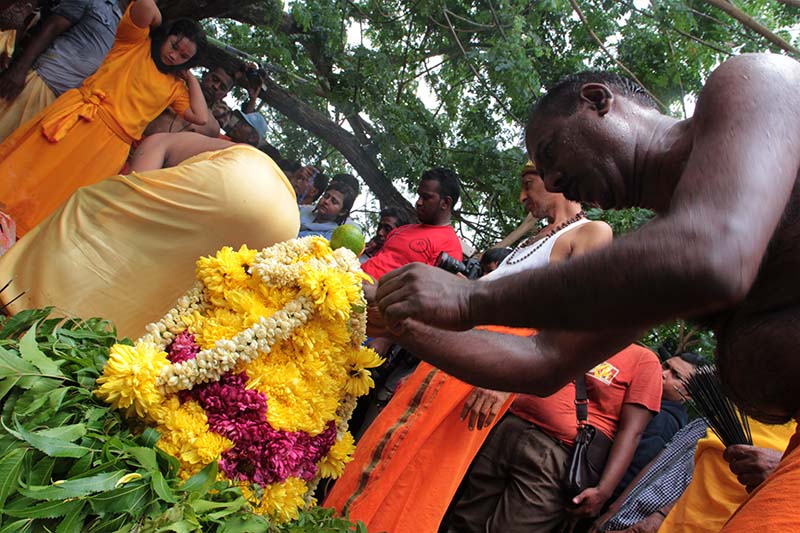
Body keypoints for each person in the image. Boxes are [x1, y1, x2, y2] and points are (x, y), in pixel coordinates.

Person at [371, 56, 800, 530]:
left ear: (597, 101)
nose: (552, 182)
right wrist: (401, 322)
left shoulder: (759, 80)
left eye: (551, 153)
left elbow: (716, 254)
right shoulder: (660, 252)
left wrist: (469, 300)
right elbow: (543, 361)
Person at [325, 162, 612, 532]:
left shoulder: (593, 232)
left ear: (557, 178)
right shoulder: (533, 239)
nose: (523, 196)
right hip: (459, 353)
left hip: (494, 368)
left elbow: (575, 322)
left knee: (422, 466)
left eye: (528, 184)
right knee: (392, 441)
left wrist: (507, 382)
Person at [0, 140, 299, 339]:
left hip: (241, 179)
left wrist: (124, 202)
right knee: (171, 288)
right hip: (287, 227)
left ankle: (20, 298)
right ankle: (84, 342)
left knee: (91, 210)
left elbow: (152, 153)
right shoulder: (226, 156)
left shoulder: (176, 141)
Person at [0, 0, 207, 237]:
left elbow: (200, 117)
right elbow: (145, 6)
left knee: (56, 201)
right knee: (23, 173)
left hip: (108, 149)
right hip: (79, 118)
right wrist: (160, 24)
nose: (174, 55)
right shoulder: (135, 41)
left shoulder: (176, 87)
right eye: (174, 45)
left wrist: (190, 78)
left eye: (184, 56)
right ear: (166, 35)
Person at [0, 0, 124, 142]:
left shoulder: (134, 26)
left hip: (66, 105)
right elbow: (51, 28)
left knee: (15, 152)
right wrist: (19, 69)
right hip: (43, 83)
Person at [612, 352, 705, 499]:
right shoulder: (646, 403)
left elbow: (630, 474)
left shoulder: (664, 421)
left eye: (676, 375)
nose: (663, 373)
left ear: (688, 394)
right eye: (665, 366)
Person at [361, 167, 463, 282]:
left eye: (426, 197)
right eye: (419, 196)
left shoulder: (449, 247)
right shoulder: (402, 229)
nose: (418, 202)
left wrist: (376, 292)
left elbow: (430, 294)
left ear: (445, 203)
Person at [142, 65, 234, 138]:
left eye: (222, 87)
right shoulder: (174, 90)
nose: (215, 86)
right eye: (215, 79)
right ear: (205, 75)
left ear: (225, 95)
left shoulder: (212, 128)